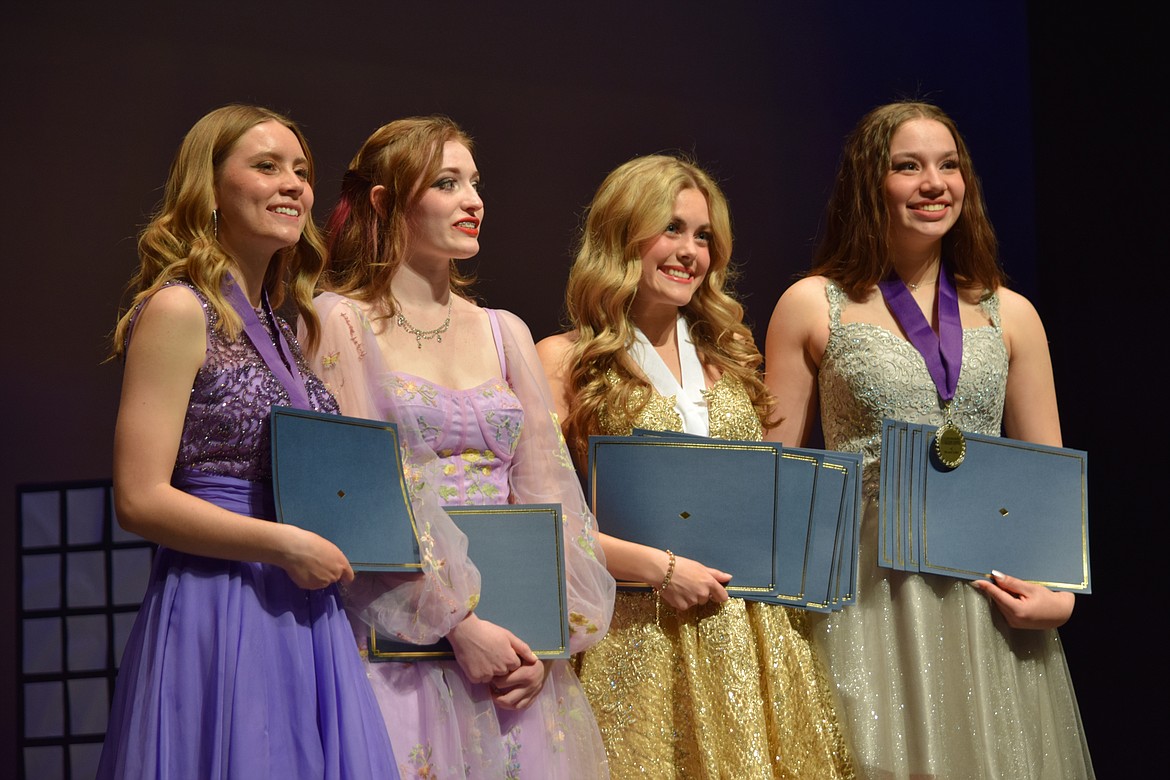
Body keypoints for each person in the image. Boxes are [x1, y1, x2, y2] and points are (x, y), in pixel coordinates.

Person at [763, 100, 1094, 779]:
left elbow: (1048, 482)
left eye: (948, 166)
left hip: (989, 601)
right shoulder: (811, 304)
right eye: (907, 167)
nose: (933, 183)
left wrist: (1059, 595)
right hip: (868, 599)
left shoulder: (1012, 313)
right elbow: (780, 483)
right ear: (867, 183)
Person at [300, 115, 615, 780]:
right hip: (404, 643)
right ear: (386, 203)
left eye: (475, 182)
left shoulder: (505, 331)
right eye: (448, 183)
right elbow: (360, 499)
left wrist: (544, 647)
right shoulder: (339, 322)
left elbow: (549, 496)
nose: (474, 200)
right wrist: (458, 627)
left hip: (513, 650)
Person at [97, 105, 398, 779]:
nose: (294, 184)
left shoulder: (287, 331)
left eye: (302, 170)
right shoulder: (180, 309)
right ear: (211, 189)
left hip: (300, 602)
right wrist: (282, 543)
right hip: (222, 594)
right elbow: (139, 499)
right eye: (266, 167)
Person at [537, 154, 855, 779]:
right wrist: (660, 567)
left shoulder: (732, 358)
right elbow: (549, 522)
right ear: (621, 236)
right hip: (635, 641)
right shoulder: (563, 361)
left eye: (703, 235)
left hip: (752, 643)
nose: (690, 251)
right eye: (672, 228)